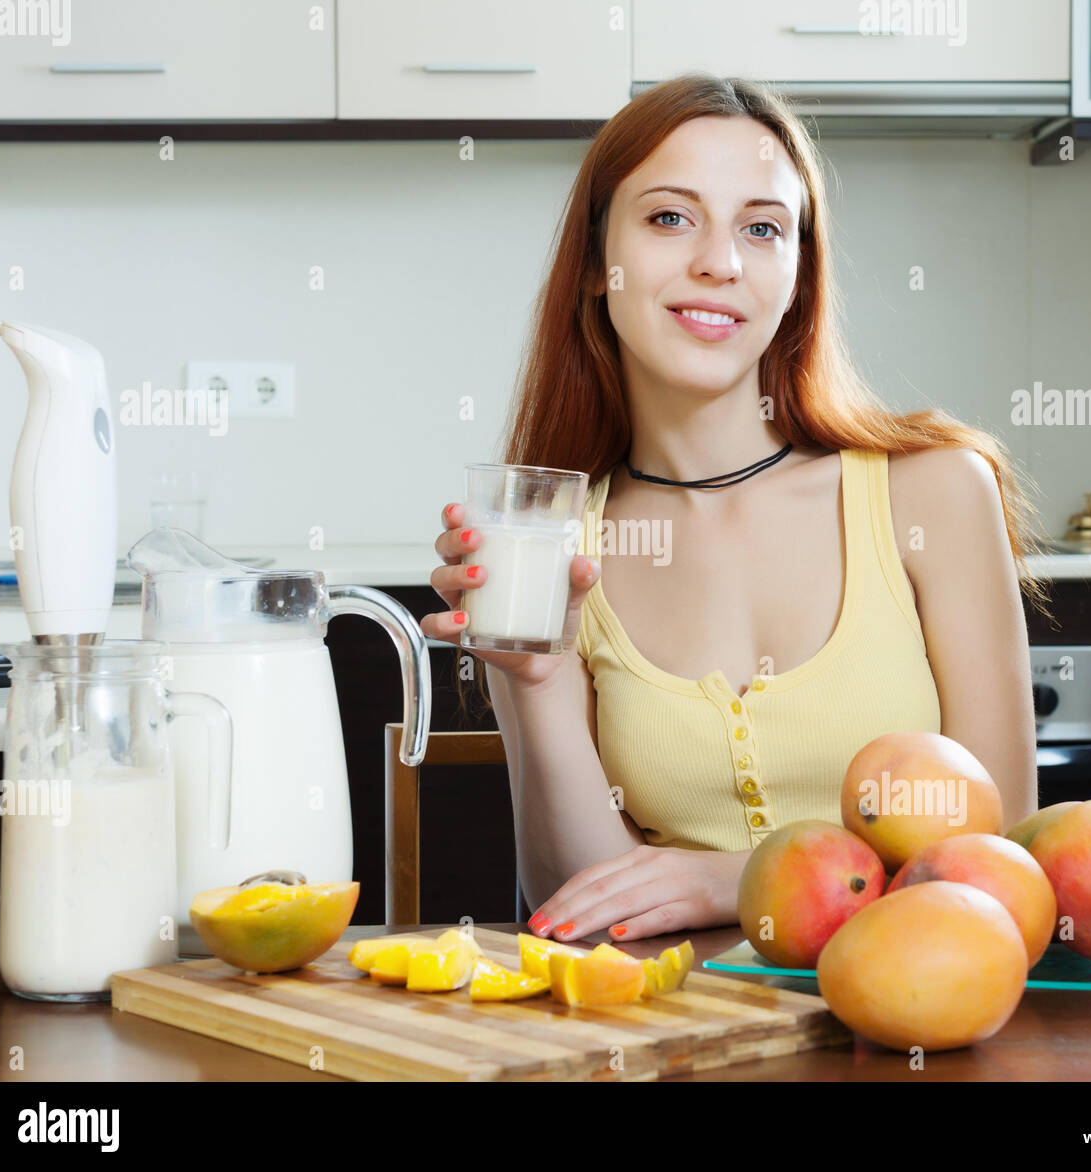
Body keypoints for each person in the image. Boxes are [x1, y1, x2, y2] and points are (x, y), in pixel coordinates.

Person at [424, 74, 1045, 946]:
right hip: (672, 1039)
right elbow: (580, 902)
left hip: (917, 1021)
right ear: (598, 263)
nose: (722, 261)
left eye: (762, 228)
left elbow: (999, 846)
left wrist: (740, 880)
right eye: (671, 217)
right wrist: (537, 679)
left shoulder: (934, 489)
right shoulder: (548, 543)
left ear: (797, 276)